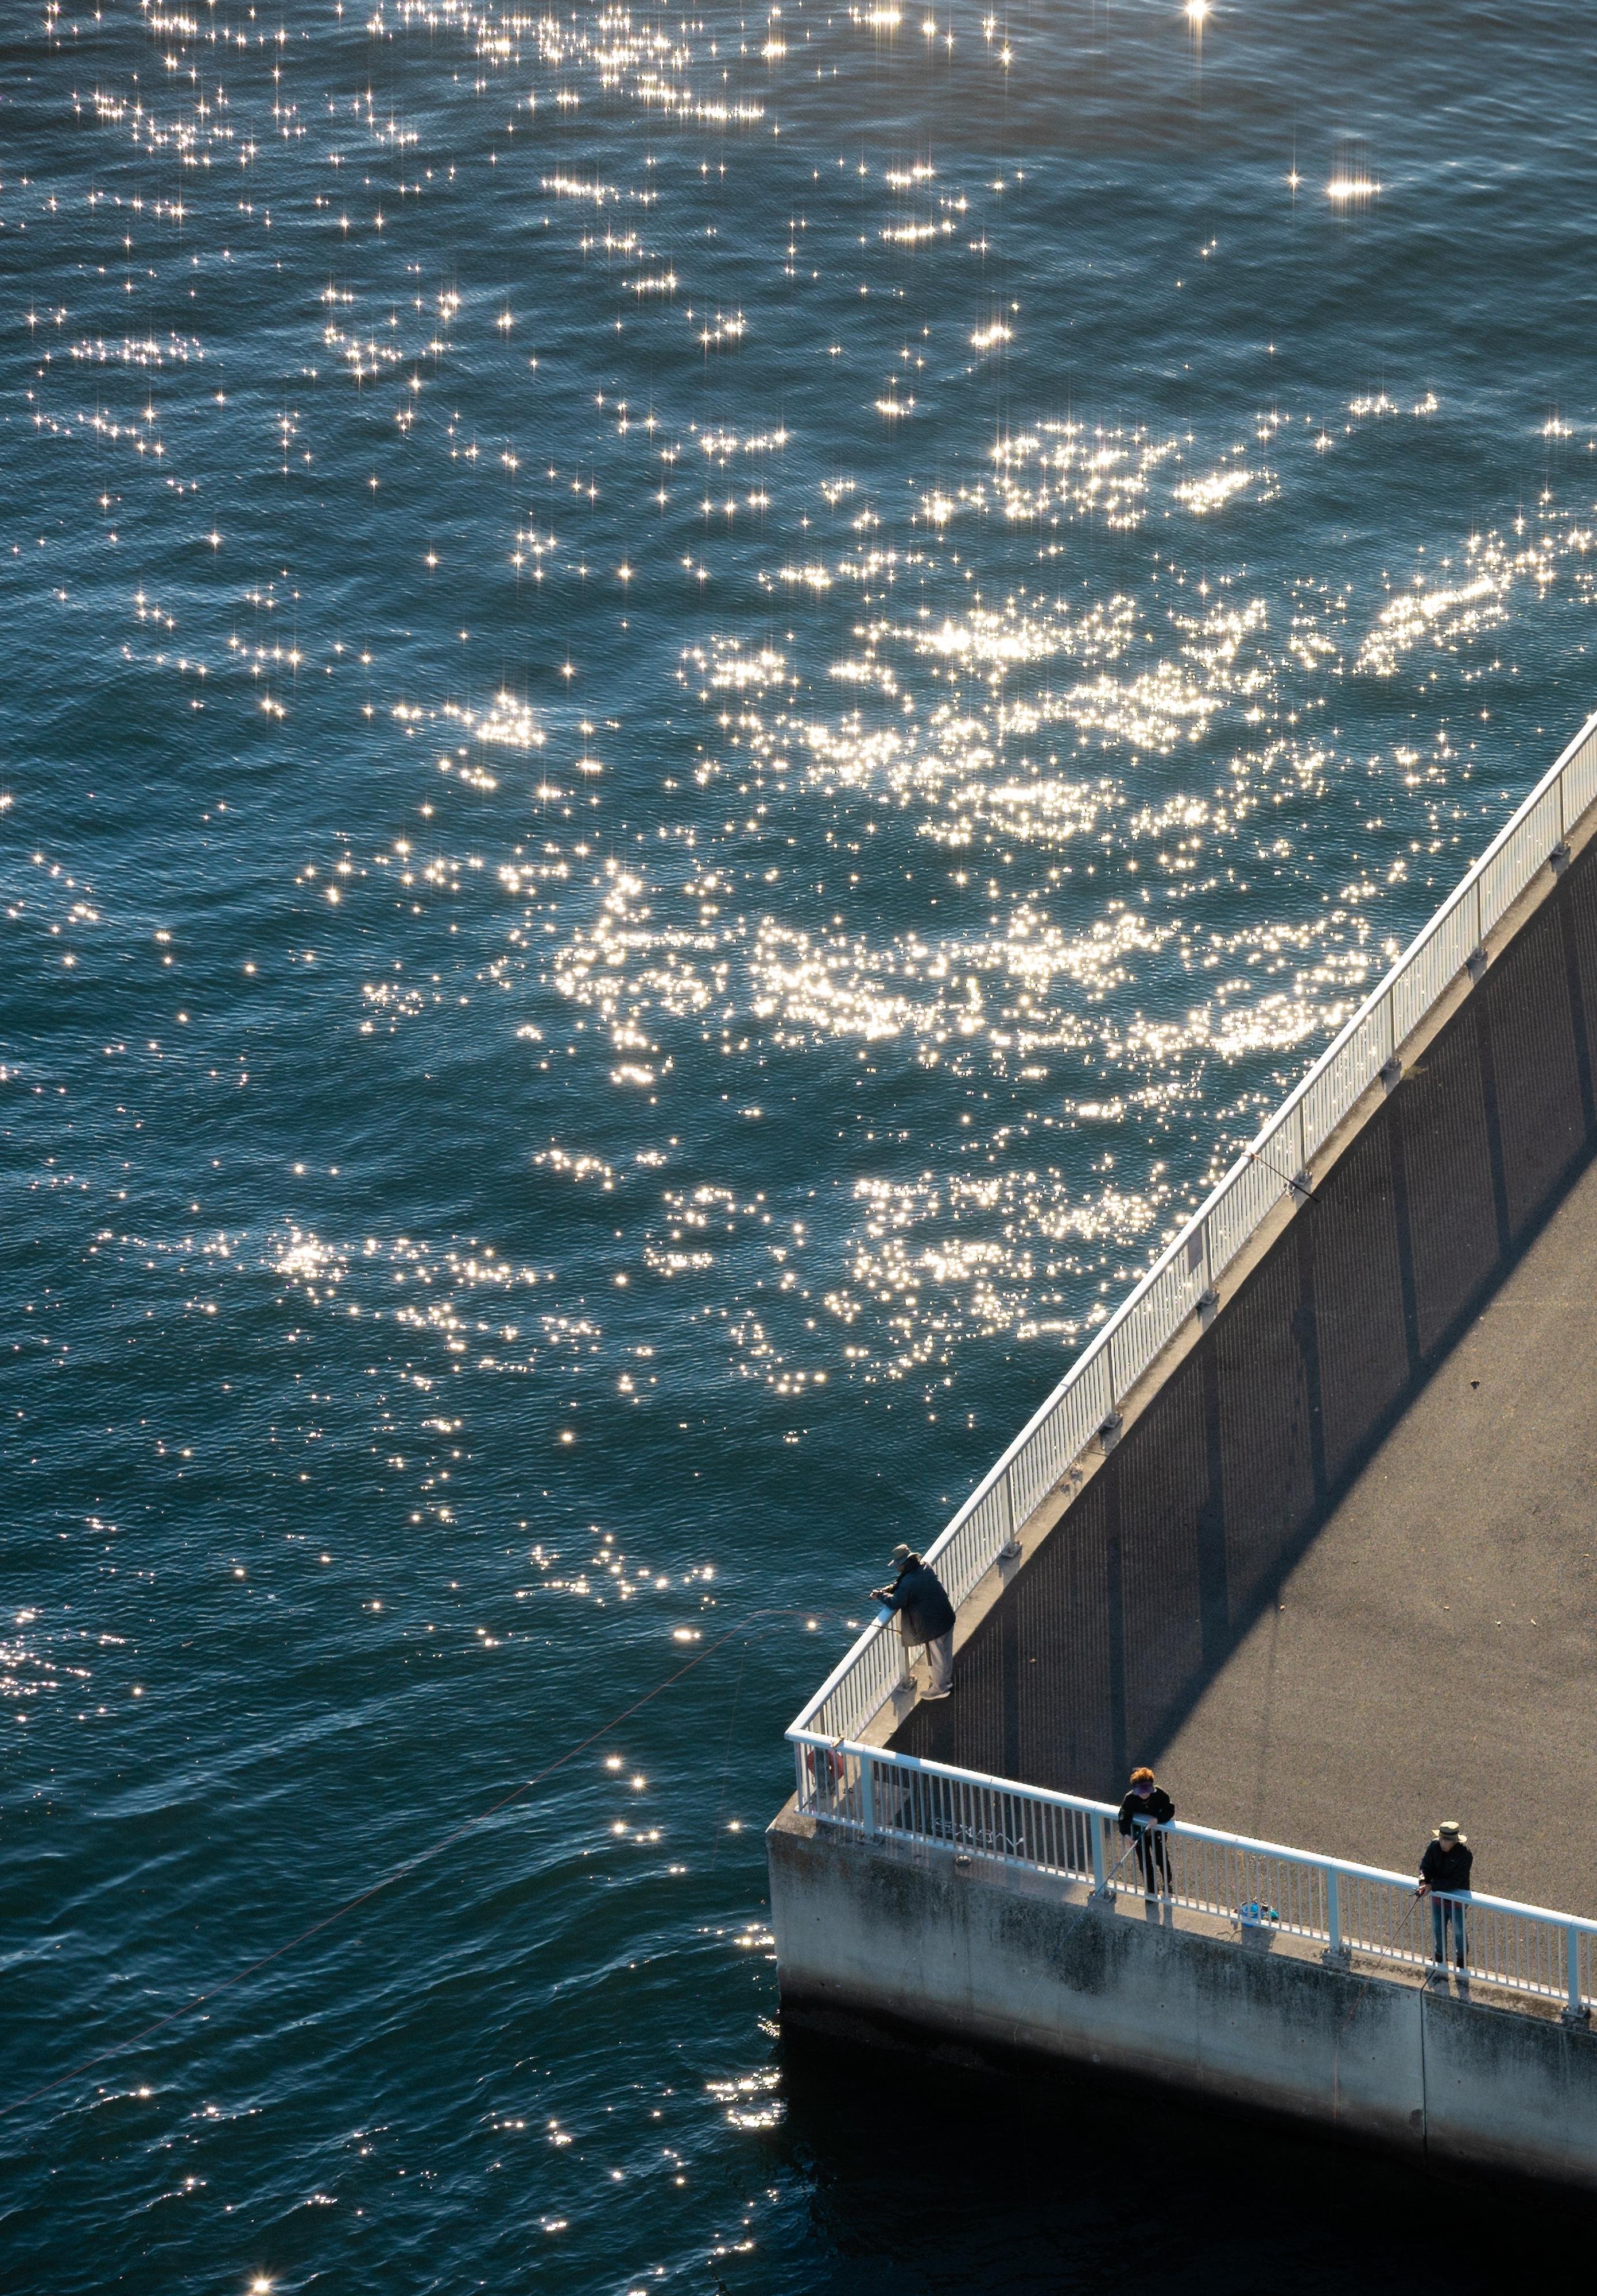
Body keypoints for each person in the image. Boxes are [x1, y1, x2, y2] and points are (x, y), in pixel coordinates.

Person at [870, 1543, 956, 1698]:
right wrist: (887, 1590)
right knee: (945, 1652)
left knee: (935, 1657)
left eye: (898, 1566)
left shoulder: (909, 1581)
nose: (897, 1569)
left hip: (932, 1626)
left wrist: (881, 1596)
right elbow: (902, 1586)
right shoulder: (925, 1567)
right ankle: (946, 1681)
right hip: (946, 1615)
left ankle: (940, 1689)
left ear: (902, 1565)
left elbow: (896, 1602)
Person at [1417, 1819, 1473, 1973]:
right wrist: (1423, 1881)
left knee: (1459, 1931)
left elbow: (1456, 1880)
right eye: (1441, 1838)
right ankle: (1440, 1956)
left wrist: (1432, 1886)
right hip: (1438, 1899)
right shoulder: (1434, 1846)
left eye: (1446, 1840)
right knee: (1437, 1928)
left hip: (1457, 1902)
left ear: (1454, 1842)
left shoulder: (1465, 1855)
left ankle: (1461, 1959)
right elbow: (1425, 1865)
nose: (1442, 1842)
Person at [1117, 1767, 1175, 1895]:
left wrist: (1158, 1819)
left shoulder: (1159, 1794)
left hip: (1157, 1834)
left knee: (1161, 1858)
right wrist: (1126, 1834)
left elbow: (1170, 1809)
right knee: (1145, 1863)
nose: (1144, 1794)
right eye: (1141, 1791)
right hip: (1139, 1835)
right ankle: (1151, 1890)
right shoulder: (1130, 1799)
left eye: (1147, 1790)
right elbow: (1123, 1816)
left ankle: (1167, 1880)